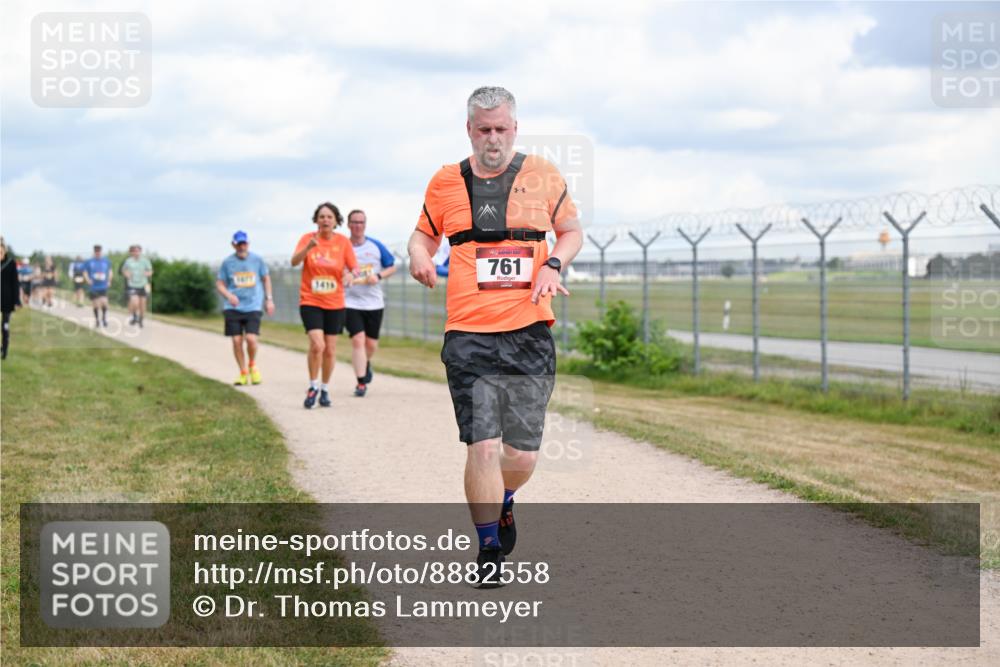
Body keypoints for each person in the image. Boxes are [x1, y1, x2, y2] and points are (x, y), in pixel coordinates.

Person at [407, 86, 583, 587]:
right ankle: (487, 550)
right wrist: (420, 254)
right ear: (469, 129)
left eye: (501, 128)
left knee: (521, 454)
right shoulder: (445, 181)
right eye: (483, 129)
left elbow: (571, 232)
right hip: (468, 333)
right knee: (482, 446)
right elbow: (423, 233)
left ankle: (504, 501)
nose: (493, 138)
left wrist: (552, 263)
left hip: (529, 329)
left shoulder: (544, 174)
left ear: (515, 127)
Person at [291, 202, 358, 409]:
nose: (325, 220)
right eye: (321, 216)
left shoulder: (343, 242)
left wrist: (349, 274)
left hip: (335, 302)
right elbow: (294, 262)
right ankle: (313, 386)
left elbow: (354, 268)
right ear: (316, 220)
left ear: (336, 221)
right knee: (317, 345)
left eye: (329, 217)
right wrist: (308, 248)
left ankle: (325, 388)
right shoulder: (307, 239)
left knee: (330, 349)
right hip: (310, 300)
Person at [343, 209, 397, 397]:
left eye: (361, 222)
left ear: (365, 225)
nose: (358, 226)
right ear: (348, 225)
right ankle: (360, 383)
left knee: (370, 345)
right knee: (358, 340)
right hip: (349, 301)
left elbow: (392, 266)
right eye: (354, 222)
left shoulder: (375, 246)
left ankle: (365, 363)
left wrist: (378, 275)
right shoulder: (342, 246)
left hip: (374, 302)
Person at [216, 231, 275, 385]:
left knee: (251, 339)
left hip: (253, 305)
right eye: (239, 244)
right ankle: (243, 372)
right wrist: (228, 295)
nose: (242, 247)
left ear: (248, 244)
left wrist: (269, 299)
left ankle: (252, 365)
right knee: (236, 340)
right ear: (233, 244)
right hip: (233, 306)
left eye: (244, 243)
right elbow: (220, 283)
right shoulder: (227, 263)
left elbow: (266, 278)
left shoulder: (257, 260)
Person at [122, 244, 154, 327]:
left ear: (140, 252)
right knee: (135, 302)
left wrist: (147, 273)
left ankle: (141, 320)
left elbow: (150, 271)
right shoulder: (128, 261)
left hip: (143, 285)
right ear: (132, 252)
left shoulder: (145, 261)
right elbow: (124, 270)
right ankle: (135, 316)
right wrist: (127, 274)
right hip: (132, 285)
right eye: (134, 251)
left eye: (138, 251)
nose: (136, 253)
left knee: (142, 305)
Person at [1, 239, 22, 359]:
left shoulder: (11, 263)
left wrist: (17, 300)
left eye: (1, 252)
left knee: (5, 326)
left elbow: (15, 282)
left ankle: (5, 349)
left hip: (7, 300)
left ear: (4, 251)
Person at [83, 244, 112, 328]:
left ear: (101, 252)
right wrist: (88, 280)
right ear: (94, 252)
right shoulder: (89, 262)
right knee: (96, 304)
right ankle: (97, 320)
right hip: (94, 286)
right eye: (96, 252)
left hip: (103, 286)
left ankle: (104, 318)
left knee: (104, 303)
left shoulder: (106, 261)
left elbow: (110, 271)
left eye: (99, 252)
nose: (98, 253)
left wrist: (109, 281)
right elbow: (85, 272)